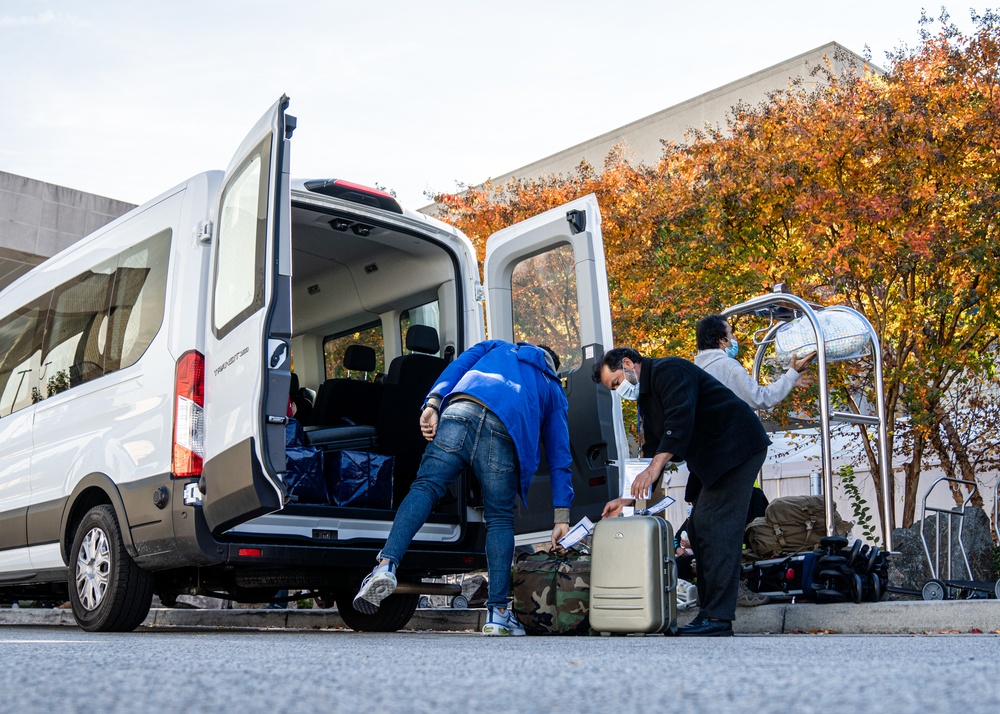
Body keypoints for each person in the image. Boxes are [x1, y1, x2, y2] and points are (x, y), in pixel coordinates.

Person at [352, 340, 573, 637]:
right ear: (552, 364)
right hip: (502, 430)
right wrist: (562, 516)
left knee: (425, 488)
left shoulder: (497, 347)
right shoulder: (551, 385)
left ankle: (386, 565)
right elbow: (560, 456)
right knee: (500, 518)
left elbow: (456, 366)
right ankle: (498, 613)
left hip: (459, 410)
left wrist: (432, 403)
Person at [594, 347, 770, 637]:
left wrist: (655, 467)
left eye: (616, 383)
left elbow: (680, 420)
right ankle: (710, 611)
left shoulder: (670, 370)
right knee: (697, 530)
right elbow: (652, 449)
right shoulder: (646, 397)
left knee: (715, 526)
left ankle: (717, 618)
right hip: (712, 458)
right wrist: (625, 498)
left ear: (627, 364)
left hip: (738, 446)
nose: (618, 390)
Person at [692, 314, 817, 606]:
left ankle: (709, 592)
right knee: (732, 524)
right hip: (731, 455)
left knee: (705, 525)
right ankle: (732, 590)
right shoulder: (726, 366)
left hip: (704, 459)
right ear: (721, 340)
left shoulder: (694, 368)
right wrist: (791, 374)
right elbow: (760, 398)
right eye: (731, 334)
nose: (734, 339)